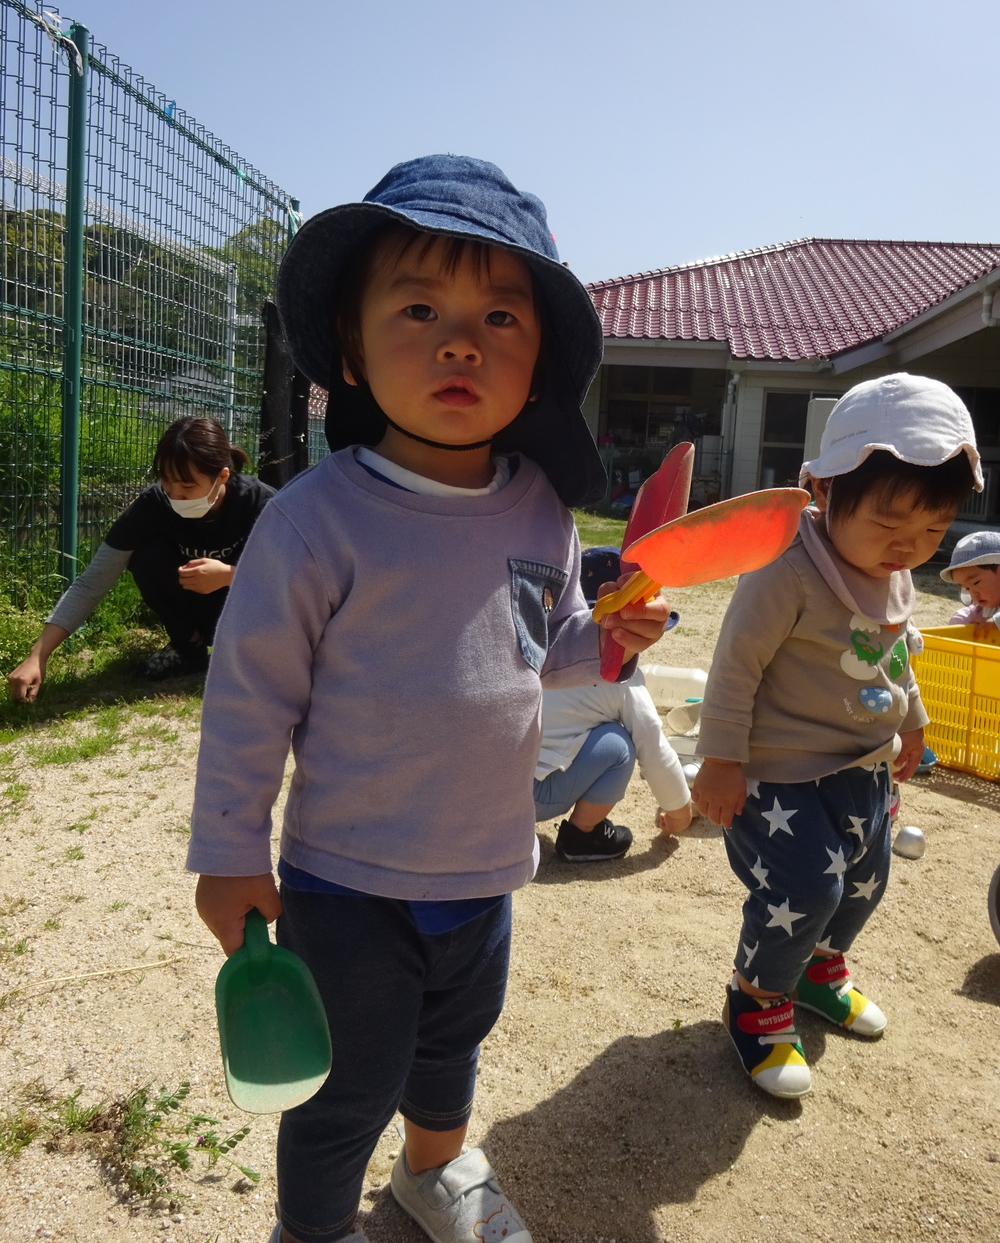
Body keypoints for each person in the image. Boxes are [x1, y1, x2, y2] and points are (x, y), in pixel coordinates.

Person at [186, 155, 675, 1243]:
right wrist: (228, 848)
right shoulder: (318, 520)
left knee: (452, 1047)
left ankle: (432, 1173)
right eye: (420, 307)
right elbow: (250, 695)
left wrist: (610, 642)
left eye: (501, 315)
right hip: (348, 880)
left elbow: (533, 646)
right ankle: (311, 1229)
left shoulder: (542, 513)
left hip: (486, 865)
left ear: (539, 358)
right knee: (341, 1084)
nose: (462, 339)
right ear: (351, 353)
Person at [691, 372, 980, 1099]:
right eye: (889, 525)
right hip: (779, 774)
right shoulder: (785, 571)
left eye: (932, 531)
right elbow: (734, 666)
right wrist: (721, 760)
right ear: (822, 492)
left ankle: (820, 972)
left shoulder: (897, 573)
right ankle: (756, 1000)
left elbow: (894, 650)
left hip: (861, 767)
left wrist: (913, 720)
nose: (909, 546)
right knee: (807, 883)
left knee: (867, 877)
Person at [7, 417, 275, 699]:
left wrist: (229, 576)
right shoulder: (154, 505)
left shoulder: (261, 503)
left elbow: (295, 578)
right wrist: (38, 655)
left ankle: (247, 649)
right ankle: (189, 651)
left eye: (187, 487)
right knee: (146, 556)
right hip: (195, 608)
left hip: (248, 611)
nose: (176, 496)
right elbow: (92, 583)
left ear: (221, 476)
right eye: (167, 483)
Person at [534, 546, 692, 861]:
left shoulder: (542, 650)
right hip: (537, 798)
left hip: (496, 788)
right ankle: (583, 836)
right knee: (618, 745)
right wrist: (679, 812)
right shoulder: (622, 683)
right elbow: (653, 747)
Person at [941, 530, 1000, 635]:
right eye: (967, 588)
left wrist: (995, 622)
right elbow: (972, 612)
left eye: (976, 583)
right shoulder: (985, 609)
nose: (974, 594)